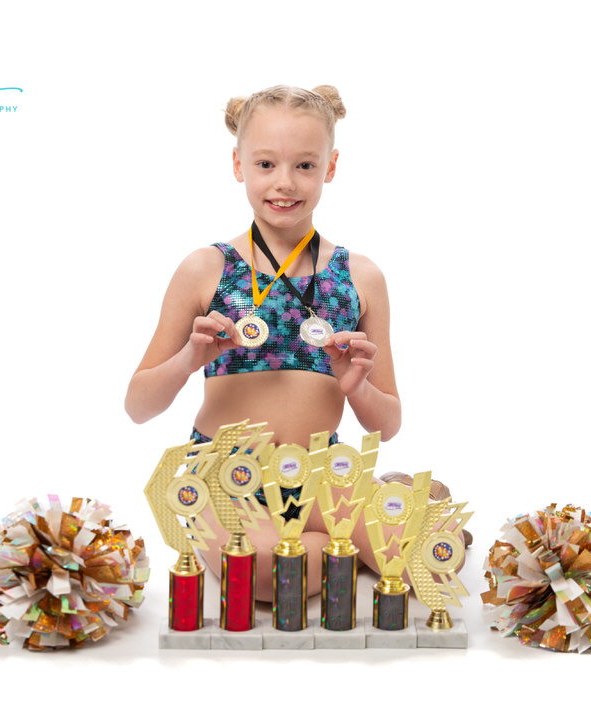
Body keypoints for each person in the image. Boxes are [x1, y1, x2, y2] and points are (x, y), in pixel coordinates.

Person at [125, 84, 401, 601]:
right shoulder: (205, 269)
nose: (284, 183)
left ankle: (370, 517)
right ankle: (371, 517)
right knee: (262, 571)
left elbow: (387, 423)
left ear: (331, 167)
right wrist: (189, 359)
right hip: (223, 471)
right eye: (266, 164)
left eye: (304, 165)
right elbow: (137, 406)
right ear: (238, 165)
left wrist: (357, 386)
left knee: (413, 560)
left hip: (319, 468)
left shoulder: (360, 276)